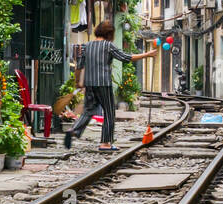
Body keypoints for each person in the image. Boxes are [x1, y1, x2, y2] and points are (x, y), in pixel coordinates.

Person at [64, 19, 159, 153]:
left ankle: (73, 130)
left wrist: (78, 82)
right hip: (103, 83)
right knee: (109, 113)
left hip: (90, 83)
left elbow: (79, 66)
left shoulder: (87, 46)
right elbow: (125, 57)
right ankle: (105, 143)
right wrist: (147, 55)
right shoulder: (108, 46)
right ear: (109, 34)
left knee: (88, 111)